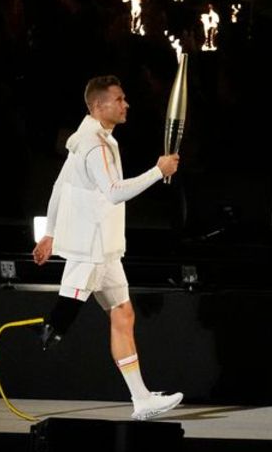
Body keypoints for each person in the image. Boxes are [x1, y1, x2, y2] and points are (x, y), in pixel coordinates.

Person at [31, 75, 182, 421]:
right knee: (64, 315)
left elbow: (59, 187)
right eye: (119, 99)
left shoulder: (89, 138)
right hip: (92, 244)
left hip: (106, 246)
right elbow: (114, 192)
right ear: (99, 106)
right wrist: (158, 171)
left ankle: (141, 399)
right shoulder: (94, 145)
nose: (125, 104)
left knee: (123, 314)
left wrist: (50, 233)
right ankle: (49, 328)